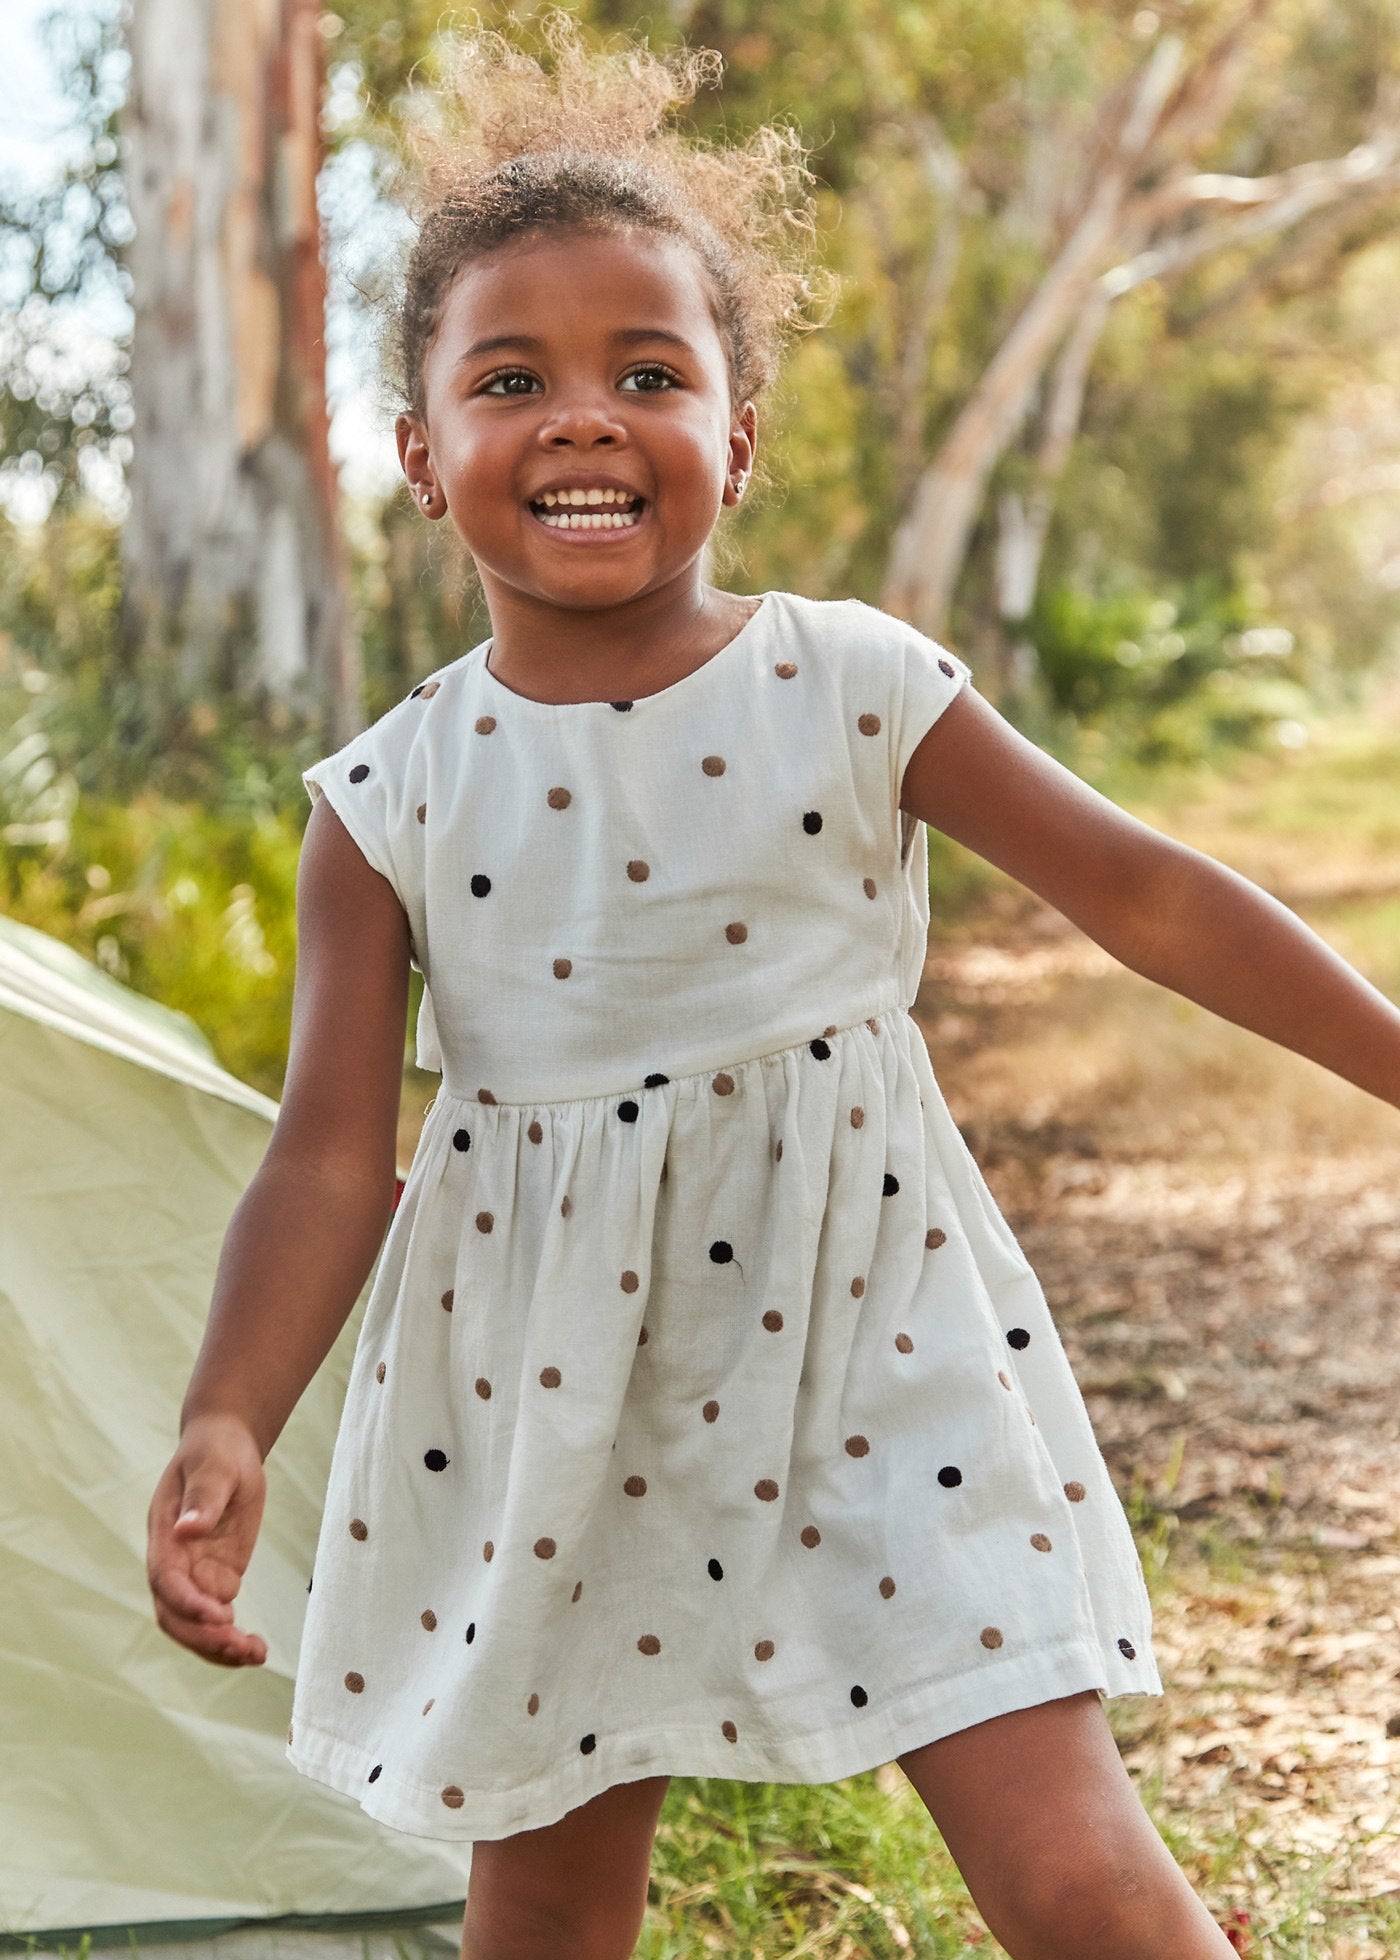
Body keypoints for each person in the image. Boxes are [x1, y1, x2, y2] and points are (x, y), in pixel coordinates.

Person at [145, 19, 1400, 1960]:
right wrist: (230, 1411)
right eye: (511, 378)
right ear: (418, 456)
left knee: (1065, 1854)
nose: (582, 415)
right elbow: (327, 1162)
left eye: (649, 371)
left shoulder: (848, 680)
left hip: (877, 1342)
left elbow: (1141, 892)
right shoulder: (384, 801)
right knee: (550, 1895)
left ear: (732, 437)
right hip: (541, 1394)